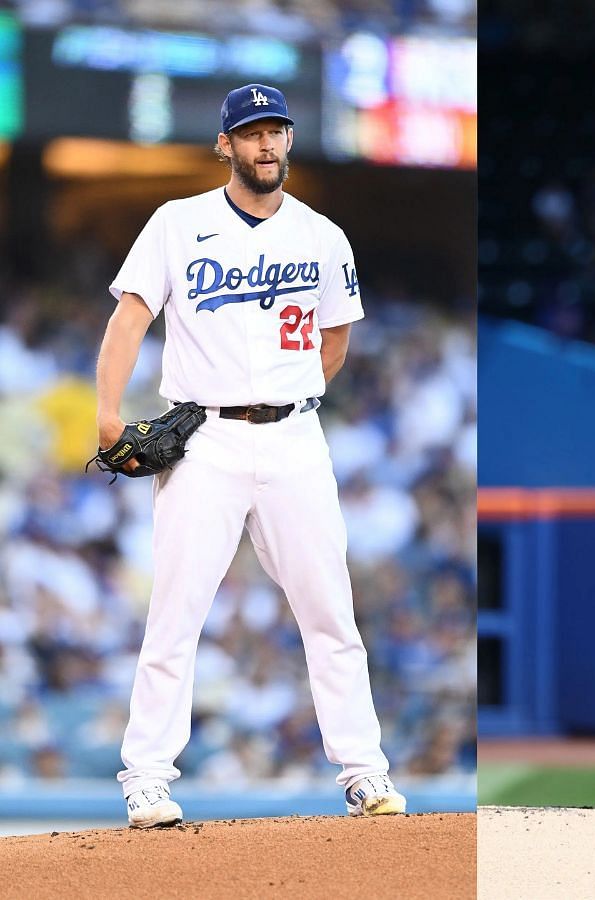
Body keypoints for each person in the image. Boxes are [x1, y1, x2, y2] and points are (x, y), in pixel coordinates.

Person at [95, 83, 404, 827]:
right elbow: (131, 316)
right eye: (252, 133)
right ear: (225, 145)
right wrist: (107, 412)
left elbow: (335, 341)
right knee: (175, 613)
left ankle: (364, 772)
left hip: (297, 436)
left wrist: (289, 396)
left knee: (330, 612)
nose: (268, 145)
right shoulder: (178, 222)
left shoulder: (323, 236)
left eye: (278, 131)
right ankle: (146, 778)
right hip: (205, 439)